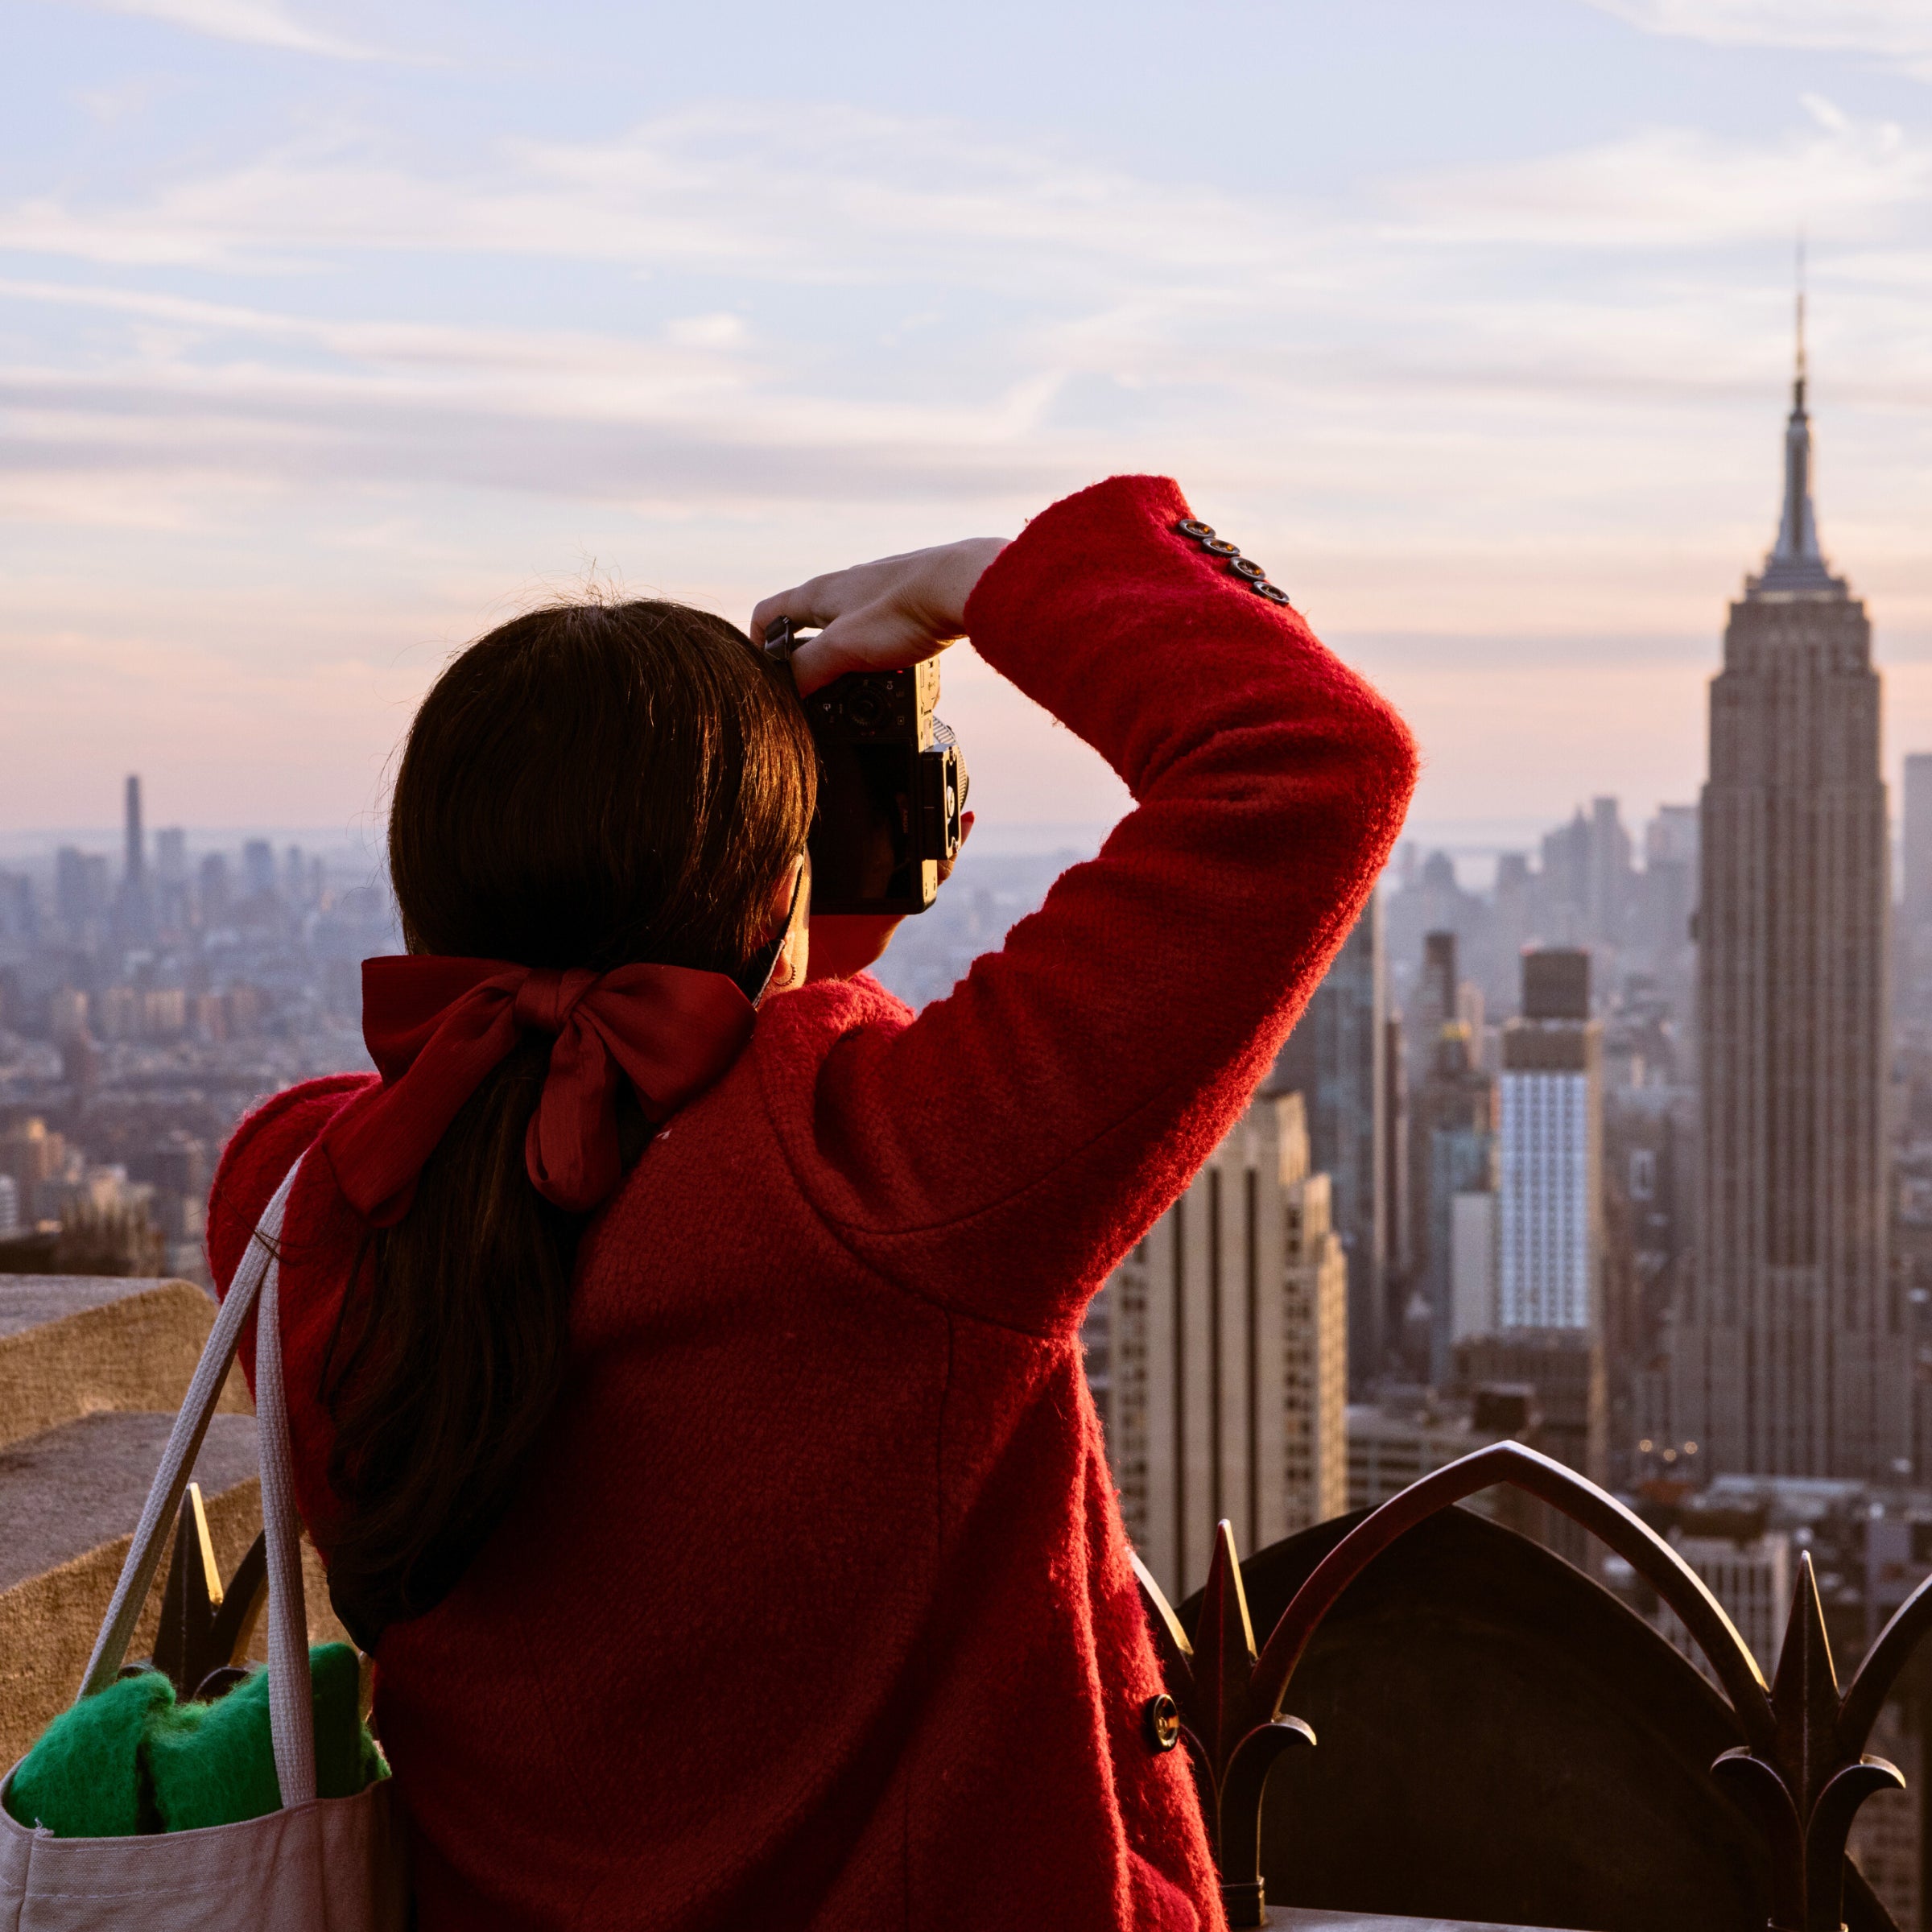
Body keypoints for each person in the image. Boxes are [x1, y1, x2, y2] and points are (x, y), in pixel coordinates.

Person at [207, 473, 1416, 1930]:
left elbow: (561, 1115)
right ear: (784, 887)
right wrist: (986, 580)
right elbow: (1316, 758)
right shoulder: (902, 1183)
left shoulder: (301, 1213)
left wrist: (769, 902)